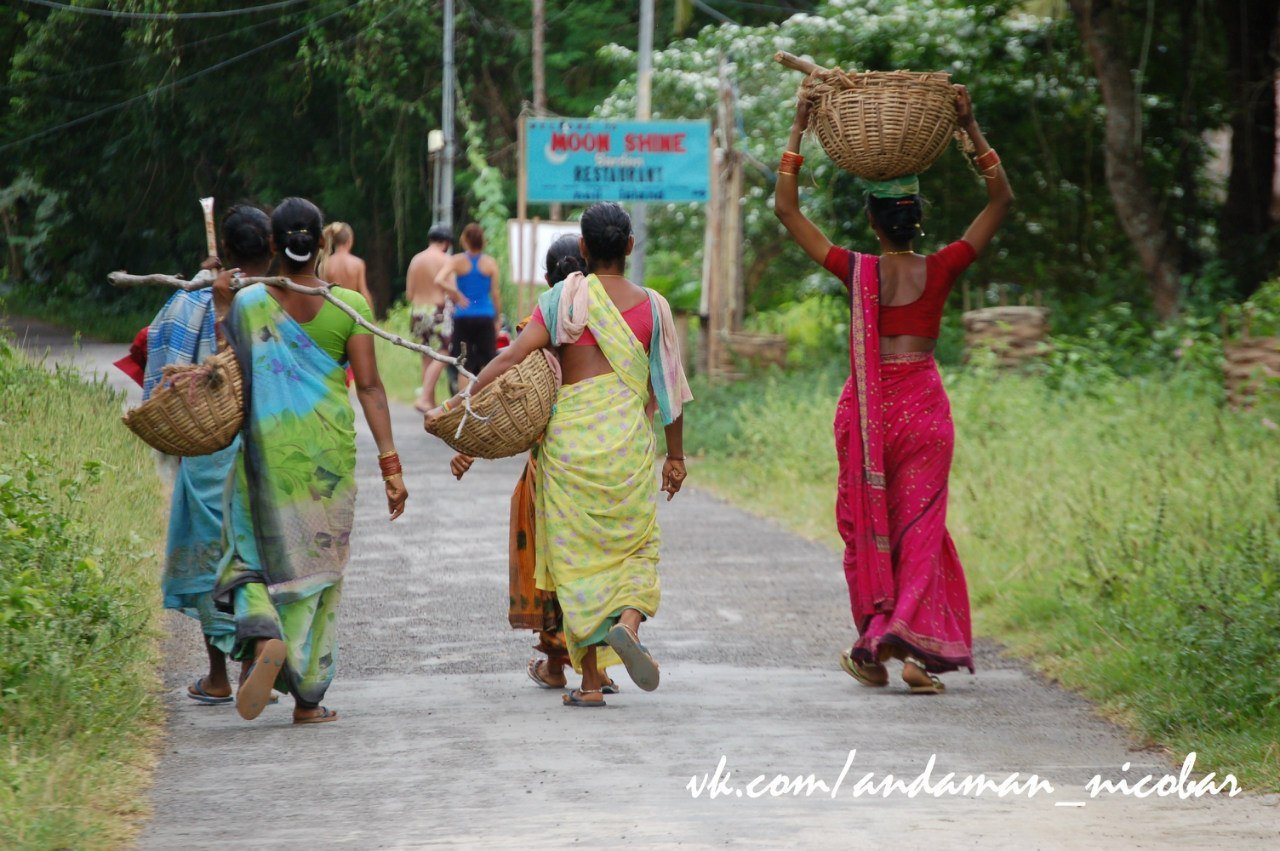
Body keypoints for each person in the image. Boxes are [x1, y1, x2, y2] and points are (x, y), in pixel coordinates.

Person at [773, 86, 1012, 694]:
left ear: (873, 222)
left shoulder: (857, 270)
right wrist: (972, 128)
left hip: (875, 412)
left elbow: (787, 212)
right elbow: (1001, 199)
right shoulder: (944, 266)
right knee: (922, 528)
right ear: (917, 219)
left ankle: (880, 639)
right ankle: (912, 654)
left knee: (874, 521)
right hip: (926, 411)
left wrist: (799, 129)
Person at [426, 203, 692, 708]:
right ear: (630, 246)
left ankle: (590, 684)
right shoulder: (654, 308)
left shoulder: (561, 300)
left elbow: (509, 358)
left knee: (577, 565)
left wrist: (461, 404)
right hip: (627, 448)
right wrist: (673, 458)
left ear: (585, 250)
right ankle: (629, 625)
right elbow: (670, 389)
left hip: (569, 450)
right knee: (638, 548)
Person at [214, 197, 408, 725]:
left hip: (265, 457)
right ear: (322, 243)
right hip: (327, 463)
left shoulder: (250, 302)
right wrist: (391, 465)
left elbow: (224, 373)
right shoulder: (350, 308)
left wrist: (221, 304)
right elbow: (369, 388)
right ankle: (307, 695)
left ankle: (264, 638)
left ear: (274, 245)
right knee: (319, 570)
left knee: (250, 553)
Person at [449, 235, 617, 693]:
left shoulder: (538, 325)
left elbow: (508, 399)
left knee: (552, 566)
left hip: (549, 472)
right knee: (599, 561)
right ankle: (595, 663)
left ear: (547, 280)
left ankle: (562, 664)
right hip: (604, 459)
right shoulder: (610, 324)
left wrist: (467, 443)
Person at [141, 205, 274, 706]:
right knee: (253, 555)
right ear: (270, 250)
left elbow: (162, 365)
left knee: (209, 560)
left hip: (205, 451)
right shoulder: (277, 296)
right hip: (262, 446)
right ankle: (250, 666)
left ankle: (218, 675)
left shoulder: (190, 301)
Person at [406, 224, 462, 412]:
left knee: (426, 354)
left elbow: (409, 293)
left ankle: (429, 401)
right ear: (446, 243)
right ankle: (424, 397)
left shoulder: (416, 259)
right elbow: (452, 289)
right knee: (444, 352)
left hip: (418, 310)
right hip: (437, 310)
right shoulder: (446, 260)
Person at [437, 222, 502, 384]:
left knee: (463, 364)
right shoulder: (490, 263)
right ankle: (487, 402)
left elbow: (439, 280)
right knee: (488, 362)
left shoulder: (457, 261)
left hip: (463, 316)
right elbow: (495, 294)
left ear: (465, 240)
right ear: (482, 241)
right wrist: (498, 319)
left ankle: (462, 405)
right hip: (485, 316)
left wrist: (456, 294)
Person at [318, 221, 374, 308]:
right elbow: (364, 292)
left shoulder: (324, 265)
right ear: (349, 240)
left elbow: (322, 296)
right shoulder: (357, 263)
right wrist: (371, 318)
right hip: (353, 313)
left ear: (334, 241)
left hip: (333, 313)